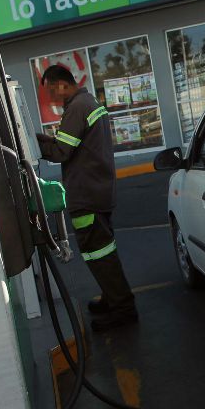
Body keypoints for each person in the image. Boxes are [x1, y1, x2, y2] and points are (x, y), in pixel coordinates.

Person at [36, 65, 138, 332]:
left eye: (50, 90)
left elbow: (61, 152)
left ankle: (122, 308)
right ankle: (113, 298)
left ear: (61, 85)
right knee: (102, 251)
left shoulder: (77, 107)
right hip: (98, 190)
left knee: (99, 254)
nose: (50, 96)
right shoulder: (88, 101)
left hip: (86, 194)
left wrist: (33, 142)